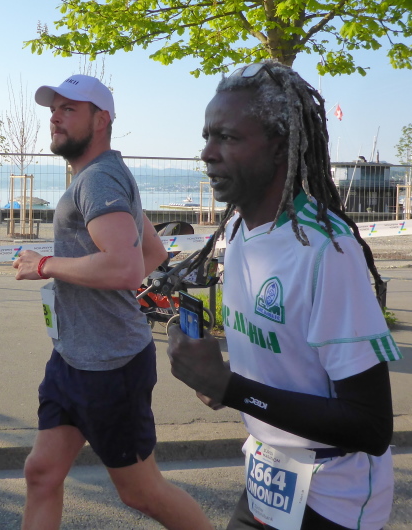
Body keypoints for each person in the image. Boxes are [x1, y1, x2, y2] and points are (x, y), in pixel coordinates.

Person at [167, 61, 402, 530]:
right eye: (207, 136)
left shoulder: (326, 252)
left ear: (279, 147)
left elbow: (371, 426)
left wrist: (232, 389)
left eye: (227, 137)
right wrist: (217, 381)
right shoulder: (237, 231)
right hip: (268, 476)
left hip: (334, 498)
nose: (207, 153)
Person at [12, 75, 213, 530]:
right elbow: (152, 252)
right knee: (41, 473)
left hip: (109, 367)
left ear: (101, 120)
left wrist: (45, 265)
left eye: (69, 109)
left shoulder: (99, 180)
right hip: (72, 359)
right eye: (53, 109)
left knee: (142, 492)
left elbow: (124, 267)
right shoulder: (103, 175)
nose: (55, 117)